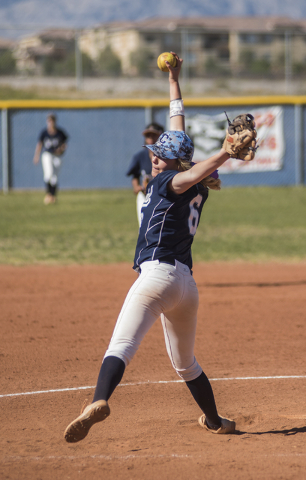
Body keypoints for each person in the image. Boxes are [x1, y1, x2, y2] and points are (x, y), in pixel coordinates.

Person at [64, 52, 235, 443]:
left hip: (156, 277)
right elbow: (180, 133)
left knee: (122, 344)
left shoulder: (166, 182)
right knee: (185, 363)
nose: (152, 157)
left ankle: (98, 401)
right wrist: (174, 79)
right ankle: (214, 421)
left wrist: (225, 152)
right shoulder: (190, 183)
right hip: (186, 287)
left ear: (171, 164)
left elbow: (187, 169)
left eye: (159, 155)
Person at [126, 122, 164, 225]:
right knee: (144, 227)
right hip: (144, 196)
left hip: (162, 196)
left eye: (154, 134)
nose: (151, 137)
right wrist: (136, 186)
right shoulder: (140, 156)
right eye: (148, 135)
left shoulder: (167, 157)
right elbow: (135, 175)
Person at [33, 113, 68, 204]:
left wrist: (61, 149)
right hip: (47, 154)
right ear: (47, 122)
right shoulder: (44, 132)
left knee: (55, 178)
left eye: (52, 121)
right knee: (48, 174)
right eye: (49, 121)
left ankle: (52, 196)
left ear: (55, 122)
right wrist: (36, 156)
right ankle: (48, 195)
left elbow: (64, 144)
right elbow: (39, 144)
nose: (51, 123)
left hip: (58, 156)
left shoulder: (60, 132)